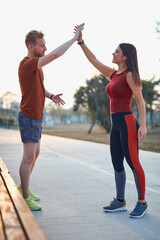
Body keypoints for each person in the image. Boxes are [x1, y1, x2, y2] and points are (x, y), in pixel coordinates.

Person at [75, 25, 148, 218]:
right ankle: (120, 201)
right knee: (117, 162)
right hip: (115, 124)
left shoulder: (130, 75)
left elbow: (140, 100)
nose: (113, 53)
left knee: (133, 162)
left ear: (125, 56)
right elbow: (93, 60)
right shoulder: (113, 74)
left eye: (117, 51)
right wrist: (81, 41)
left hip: (127, 121)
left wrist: (144, 126)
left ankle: (142, 202)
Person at [18, 23, 84, 211]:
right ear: (31, 47)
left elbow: (38, 87)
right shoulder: (27, 63)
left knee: (35, 153)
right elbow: (55, 55)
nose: (45, 48)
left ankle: (25, 187)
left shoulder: (36, 67)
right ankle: (25, 196)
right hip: (29, 116)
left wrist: (51, 95)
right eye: (41, 45)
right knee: (28, 157)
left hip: (36, 117)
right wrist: (74, 39)